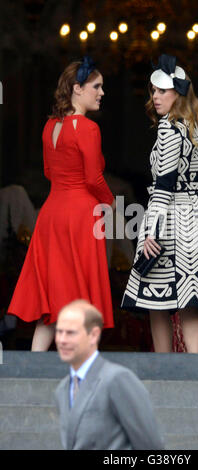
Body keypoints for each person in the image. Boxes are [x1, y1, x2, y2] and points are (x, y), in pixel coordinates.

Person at [121, 54, 198, 353]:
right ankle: (194, 369)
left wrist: (150, 231)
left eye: (163, 91)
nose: (155, 96)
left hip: (172, 218)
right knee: (190, 300)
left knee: (155, 301)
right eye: (154, 90)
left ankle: (164, 368)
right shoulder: (197, 128)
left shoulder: (168, 128)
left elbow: (163, 186)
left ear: (178, 93)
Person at [7, 56, 115, 351]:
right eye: (97, 86)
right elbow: (93, 178)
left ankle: (33, 367)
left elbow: (48, 173)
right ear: (77, 89)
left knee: (54, 298)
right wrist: (109, 202)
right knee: (80, 296)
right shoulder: (88, 128)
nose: (102, 92)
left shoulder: (49, 127)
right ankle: (84, 371)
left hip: (51, 213)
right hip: (80, 214)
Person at [54, 299, 164, 450]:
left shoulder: (117, 379)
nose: (62, 340)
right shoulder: (63, 388)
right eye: (59, 332)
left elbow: (151, 447)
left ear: (93, 335)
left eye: (71, 333)